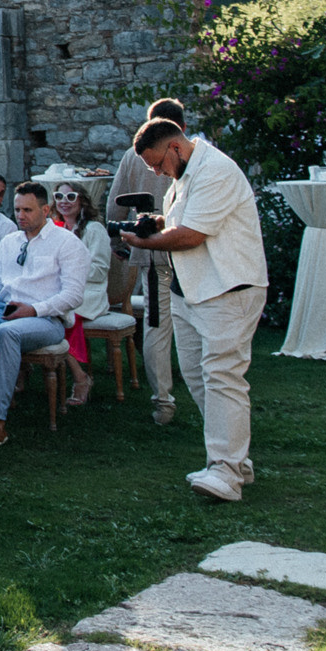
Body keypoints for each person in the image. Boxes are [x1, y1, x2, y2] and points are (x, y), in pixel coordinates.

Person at [120, 117, 268, 503]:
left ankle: (227, 472)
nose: (155, 172)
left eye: (157, 164)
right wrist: (156, 223)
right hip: (192, 291)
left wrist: (143, 242)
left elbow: (191, 236)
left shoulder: (215, 170)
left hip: (228, 289)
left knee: (223, 376)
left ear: (175, 148)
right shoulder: (182, 178)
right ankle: (234, 461)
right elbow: (179, 223)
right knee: (198, 377)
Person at [0, 182, 87, 450]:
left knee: (8, 333)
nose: (21, 215)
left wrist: (34, 309)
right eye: (17, 209)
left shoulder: (66, 243)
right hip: (5, 312)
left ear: (46, 209)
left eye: (27, 209)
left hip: (46, 320)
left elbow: (74, 295)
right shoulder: (10, 241)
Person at [113, 98, 188, 424]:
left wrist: (118, 240)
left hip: (158, 253)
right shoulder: (191, 154)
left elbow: (114, 208)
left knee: (157, 327)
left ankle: (163, 403)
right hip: (181, 253)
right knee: (176, 323)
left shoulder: (133, 157)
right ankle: (172, 398)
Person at [52, 183, 113, 407]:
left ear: (82, 200)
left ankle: (80, 378)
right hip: (60, 288)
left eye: (70, 195)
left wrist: (71, 266)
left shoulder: (94, 229)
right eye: (59, 196)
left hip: (90, 292)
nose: (64, 200)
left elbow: (100, 270)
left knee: (61, 313)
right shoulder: (56, 229)